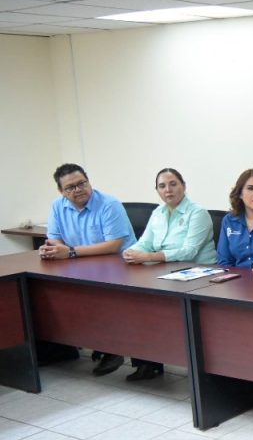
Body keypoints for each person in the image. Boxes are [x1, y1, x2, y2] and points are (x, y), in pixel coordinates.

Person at [40, 163, 136, 375]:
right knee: (52, 291)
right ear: (61, 191)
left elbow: (113, 245)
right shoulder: (57, 206)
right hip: (82, 264)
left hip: (119, 267)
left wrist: (70, 252)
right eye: (71, 187)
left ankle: (113, 349)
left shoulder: (109, 204)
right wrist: (54, 250)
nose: (78, 189)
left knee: (99, 295)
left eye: (82, 183)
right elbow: (54, 238)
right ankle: (67, 346)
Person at [122, 167, 216, 381]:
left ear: (184, 186)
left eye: (173, 184)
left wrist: (149, 257)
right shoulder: (158, 213)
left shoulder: (197, 213)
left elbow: (189, 251)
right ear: (157, 190)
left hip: (198, 275)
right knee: (137, 302)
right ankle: (148, 363)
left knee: (158, 307)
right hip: (165, 272)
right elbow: (145, 243)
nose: (168, 190)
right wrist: (131, 252)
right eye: (162, 186)